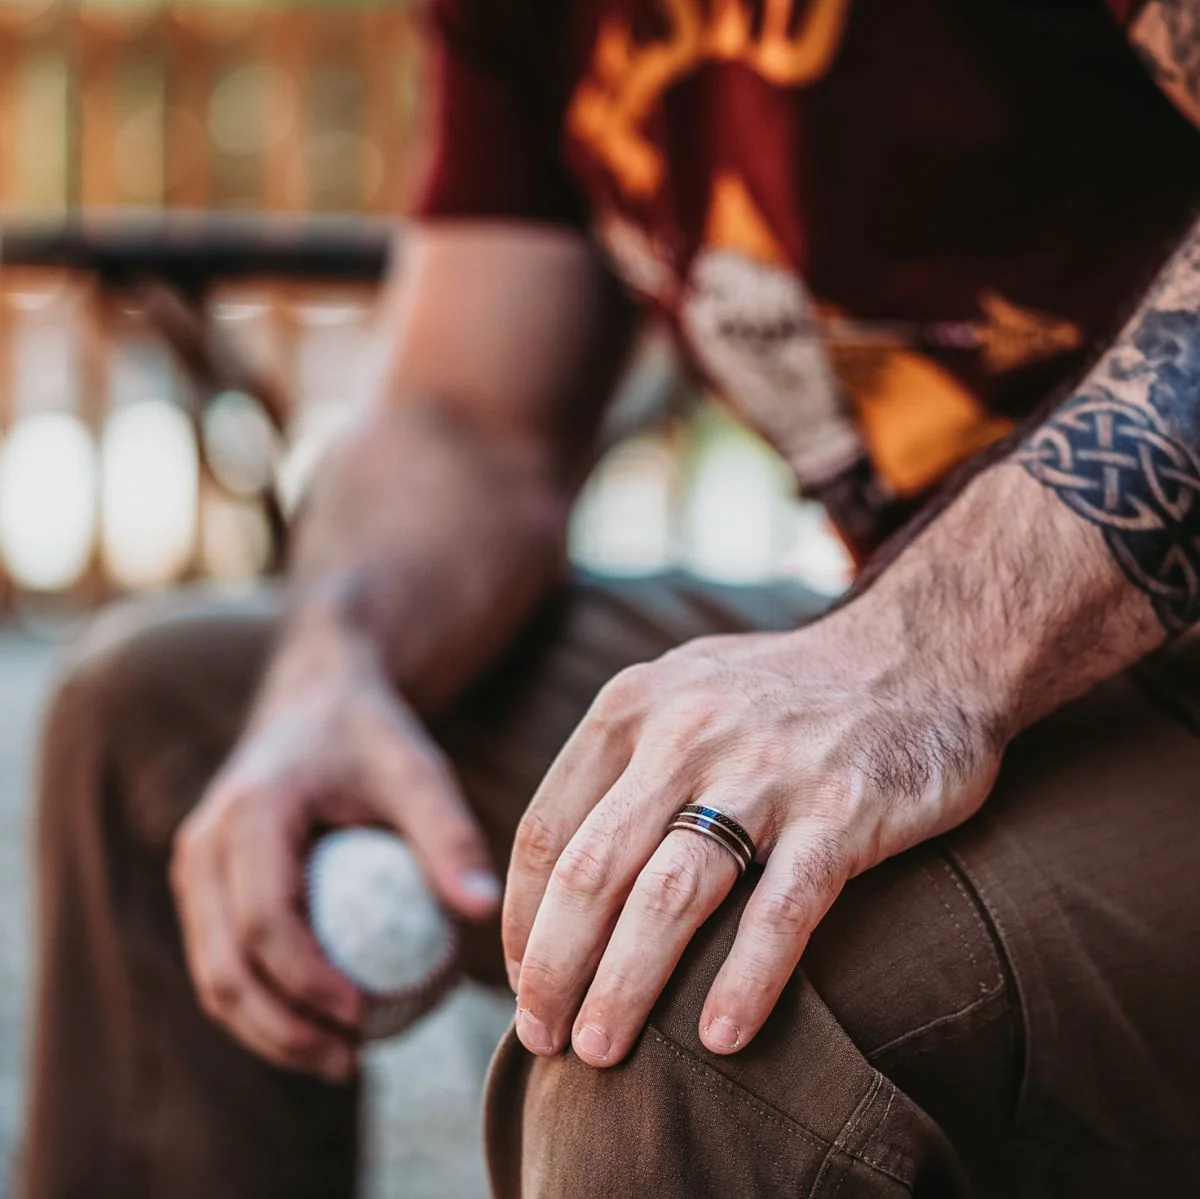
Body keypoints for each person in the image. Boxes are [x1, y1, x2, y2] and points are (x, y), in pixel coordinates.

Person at [22, 0, 1200, 1195]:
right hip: (941, 642)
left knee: (703, 1005)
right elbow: (469, 421)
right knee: (180, 729)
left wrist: (929, 654)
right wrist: (332, 668)